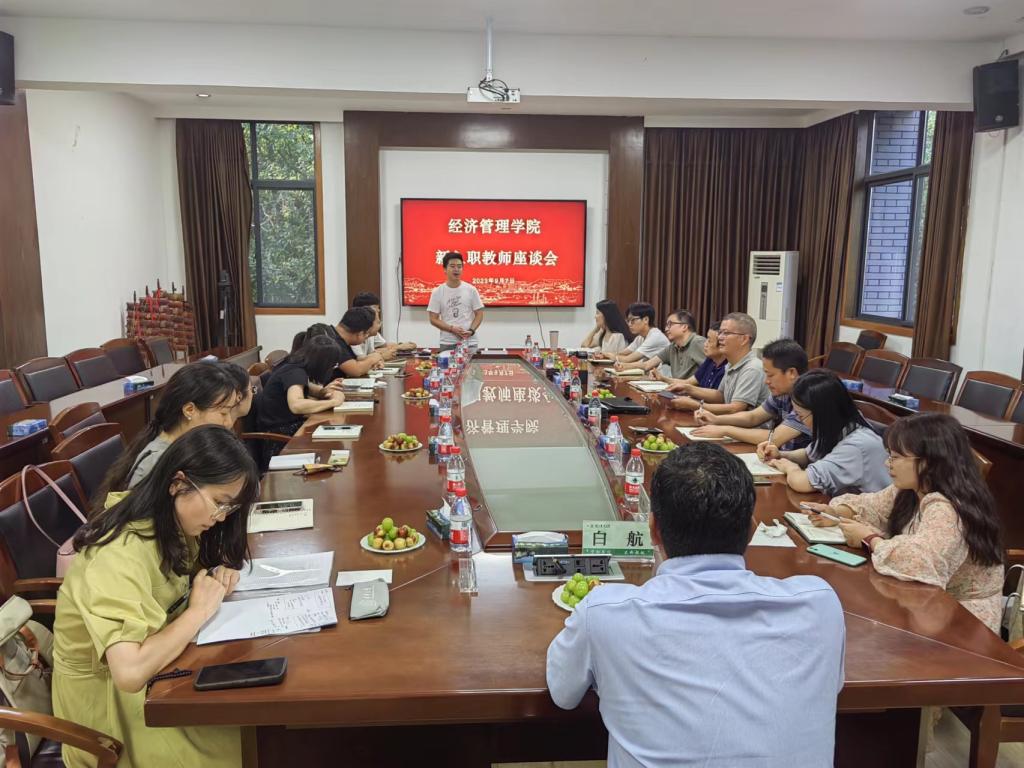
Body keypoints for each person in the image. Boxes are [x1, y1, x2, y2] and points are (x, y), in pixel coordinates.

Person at [547, 443, 845, 767]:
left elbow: (564, 695)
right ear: (751, 529)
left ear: (653, 530)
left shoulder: (605, 613)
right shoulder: (820, 605)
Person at [52, 425, 261, 768]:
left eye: (230, 508)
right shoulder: (118, 553)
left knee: (254, 727)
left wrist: (213, 577)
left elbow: (180, 587)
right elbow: (130, 672)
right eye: (219, 503)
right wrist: (198, 611)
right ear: (178, 483)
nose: (221, 517)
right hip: (111, 716)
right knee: (247, 744)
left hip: (161, 678)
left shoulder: (168, 522)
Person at [804, 413, 1004, 632]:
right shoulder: (911, 489)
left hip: (962, 620)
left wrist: (870, 539)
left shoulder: (948, 508)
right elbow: (872, 505)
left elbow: (920, 562)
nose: (887, 463)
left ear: (928, 461)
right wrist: (835, 512)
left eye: (896, 457)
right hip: (924, 604)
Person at [100, 361, 252, 493]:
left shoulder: (191, 446)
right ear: (190, 410)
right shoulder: (155, 464)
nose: (228, 422)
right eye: (224, 413)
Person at [761, 369, 890, 494]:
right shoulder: (838, 426)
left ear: (822, 414)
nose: (800, 421)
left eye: (800, 416)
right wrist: (781, 455)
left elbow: (801, 482)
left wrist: (790, 468)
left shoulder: (856, 446)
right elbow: (808, 455)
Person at [691, 338, 811, 450]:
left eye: (770, 375)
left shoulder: (808, 398)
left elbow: (774, 438)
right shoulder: (782, 394)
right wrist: (716, 419)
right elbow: (753, 417)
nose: (766, 381)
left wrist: (725, 430)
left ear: (791, 373)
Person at [665, 311, 768, 416]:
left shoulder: (752, 368)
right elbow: (720, 395)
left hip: (741, 426)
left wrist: (696, 405)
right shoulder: (731, 364)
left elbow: (735, 409)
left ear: (744, 339)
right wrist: (688, 389)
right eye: (720, 332)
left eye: (726, 333)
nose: (720, 337)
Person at [255, 335, 347, 437]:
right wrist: (333, 402)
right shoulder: (295, 372)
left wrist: (324, 392)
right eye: (333, 365)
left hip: (286, 426)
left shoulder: (296, 365)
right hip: (279, 434)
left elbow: (308, 388)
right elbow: (296, 405)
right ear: (323, 364)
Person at [427, 251, 484, 351]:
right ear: (445, 269)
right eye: (452, 266)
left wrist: (471, 331)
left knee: (471, 362)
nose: (456, 269)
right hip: (448, 342)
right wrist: (451, 329)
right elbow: (433, 319)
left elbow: (479, 314)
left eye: (459, 266)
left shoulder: (471, 289)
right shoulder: (437, 292)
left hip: (469, 342)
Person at [629, 309, 705, 377]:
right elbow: (647, 365)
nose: (666, 329)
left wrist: (664, 379)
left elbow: (709, 372)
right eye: (666, 325)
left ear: (684, 327)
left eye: (670, 324)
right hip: (676, 387)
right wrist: (624, 366)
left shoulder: (698, 342)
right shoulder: (672, 347)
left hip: (691, 388)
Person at [653, 322, 727, 391]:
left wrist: (689, 392)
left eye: (709, 340)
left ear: (722, 344)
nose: (705, 344)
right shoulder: (710, 361)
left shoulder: (727, 367)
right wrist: (663, 378)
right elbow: (688, 382)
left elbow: (718, 396)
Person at [321, 307, 389, 377]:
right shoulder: (333, 341)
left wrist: (371, 363)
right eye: (367, 334)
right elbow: (356, 370)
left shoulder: (334, 334)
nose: (367, 337)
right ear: (360, 334)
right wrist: (375, 357)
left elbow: (354, 362)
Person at [350, 291, 416, 359]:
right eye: (375, 308)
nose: (378, 311)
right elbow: (361, 359)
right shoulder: (354, 332)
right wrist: (394, 349)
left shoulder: (370, 329)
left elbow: (383, 346)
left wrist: (401, 346)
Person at [601, 302, 669, 365]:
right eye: (628, 321)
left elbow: (627, 359)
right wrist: (605, 355)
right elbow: (623, 353)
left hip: (662, 373)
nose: (629, 324)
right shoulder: (640, 337)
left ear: (646, 319)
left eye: (633, 320)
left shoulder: (655, 337)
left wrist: (609, 355)